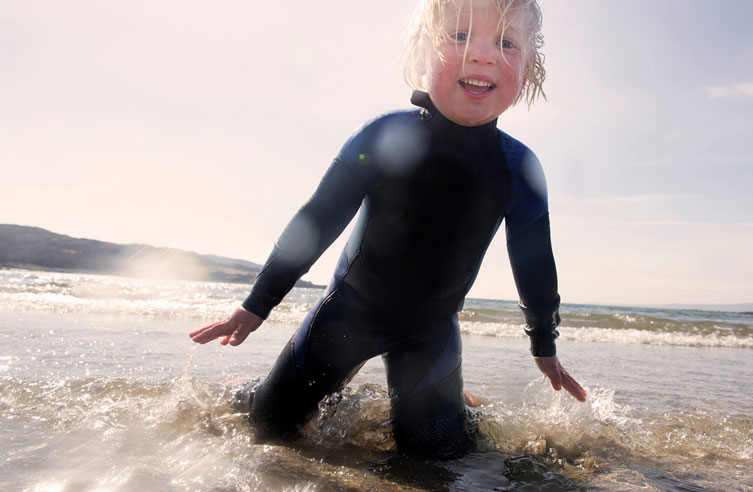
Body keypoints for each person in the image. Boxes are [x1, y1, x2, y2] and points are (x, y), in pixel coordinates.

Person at [190, 0, 586, 459]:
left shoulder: (518, 168)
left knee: (437, 455)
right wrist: (256, 304)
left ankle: (456, 405)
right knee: (269, 428)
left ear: (527, 67)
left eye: (505, 42)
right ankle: (250, 387)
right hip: (346, 317)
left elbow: (534, 262)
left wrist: (543, 344)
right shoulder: (382, 136)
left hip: (430, 332)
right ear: (423, 54)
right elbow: (316, 221)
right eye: (460, 36)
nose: (482, 55)